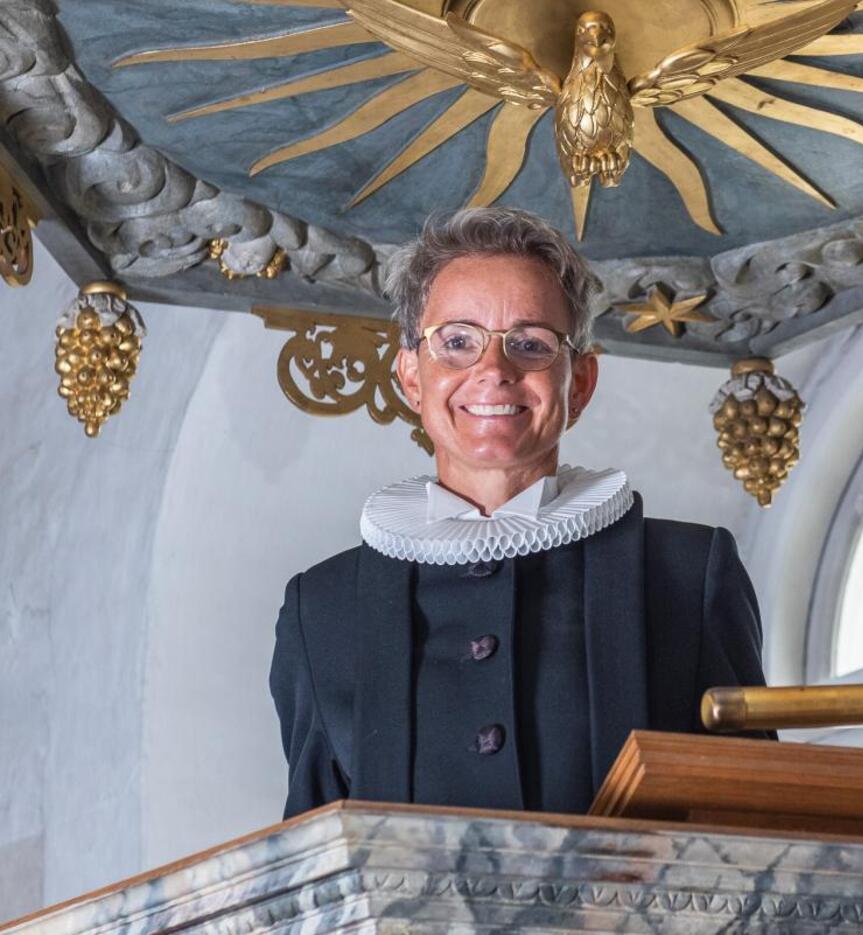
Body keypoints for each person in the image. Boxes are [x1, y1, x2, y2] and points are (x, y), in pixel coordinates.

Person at [269, 207, 768, 819]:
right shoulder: (320, 608)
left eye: (530, 344)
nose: (493, 371)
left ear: (579, 383)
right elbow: (310, 854)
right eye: (457, 342)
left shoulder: (689, 575)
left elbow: (756, 822)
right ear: (411, 378)